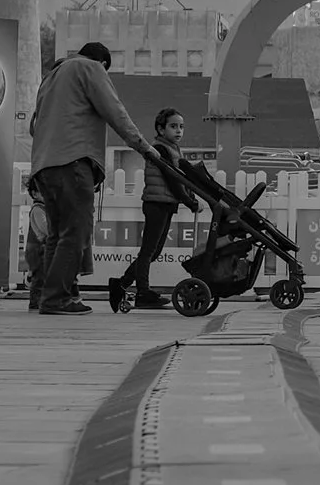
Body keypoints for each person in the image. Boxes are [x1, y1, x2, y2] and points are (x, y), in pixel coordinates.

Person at [27, 42, 157, 315]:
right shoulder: (90, 68)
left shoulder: (51, 76)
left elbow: (34, 125)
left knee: (57, 235)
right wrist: (143, 146)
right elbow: (114, 110)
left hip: (44, 165)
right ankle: (57, 298)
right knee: (76, 231)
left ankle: (49, 295)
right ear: (103, 63)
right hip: (73, 160)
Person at [111, 108, 201, 312]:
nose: (179, 130)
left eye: (181, 126)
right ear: (161, 129)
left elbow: (181, 177)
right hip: (156, 203)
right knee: (148, 250)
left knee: (154, 251)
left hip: (165, 203)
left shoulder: (173, 149)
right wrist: (189, 201)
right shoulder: (161, 149)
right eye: (173, 126)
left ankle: (121, 284)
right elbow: (172, 179)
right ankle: (143, 293)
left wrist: (190, 195)